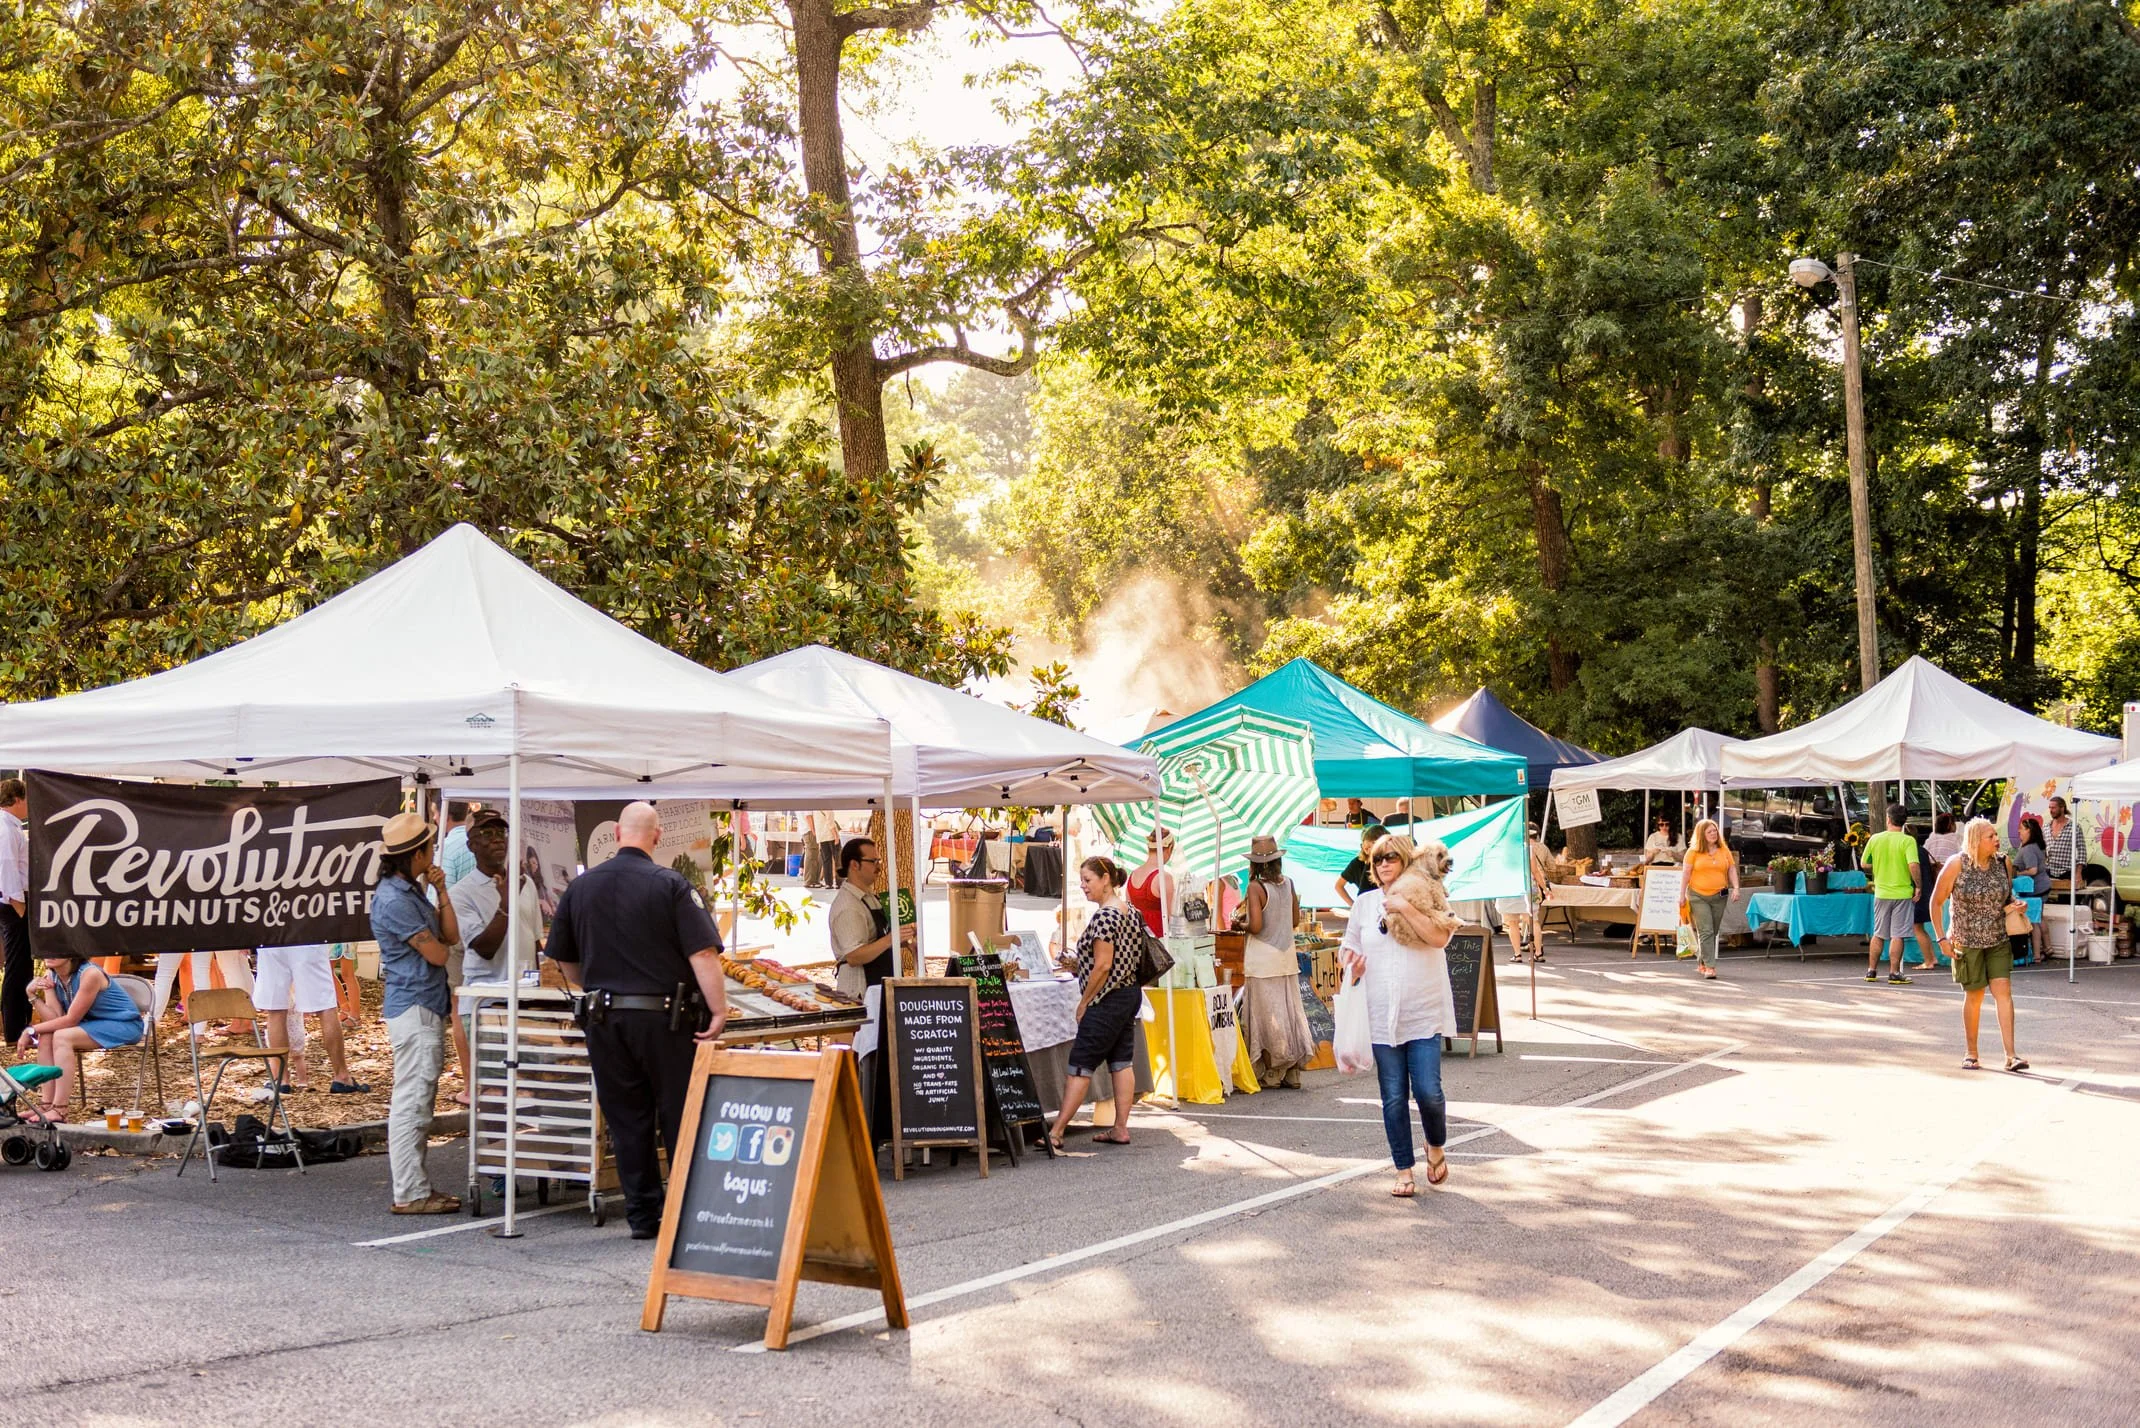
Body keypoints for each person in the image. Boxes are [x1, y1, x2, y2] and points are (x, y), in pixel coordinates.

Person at [545, 802, 728, 1239]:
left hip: (605, 1019)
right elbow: (702, 953)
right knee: (679, 1114)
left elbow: (564, 960)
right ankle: (686, 1212)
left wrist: (597, 982)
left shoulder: (580, 887)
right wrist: (719, 1009)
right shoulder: (671, 884)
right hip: (666, 1020)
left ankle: (643, 1216)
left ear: (615, 833)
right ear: (657, 836)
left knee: (627, 1120)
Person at [1342, 832, 1454, 1197]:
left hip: (1422, 1012)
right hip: (1380, 1015)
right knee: (1393, 1097)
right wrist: (1352, 966)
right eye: (1377, 859)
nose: (1383, 864)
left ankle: (1435, 1145)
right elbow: (1348, 948)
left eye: (1390, 856)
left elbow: (1440, 938)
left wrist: (1404, 907)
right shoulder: (1364, 904)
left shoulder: (1429, 895)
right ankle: (1404, 1170)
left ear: (1406, 859)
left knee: (1428, 1093)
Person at [369, 810, 465, 1215]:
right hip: (414, 1005)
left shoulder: (410, 892)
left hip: (422, 1003)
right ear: (416, 854)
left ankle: (416, 1186)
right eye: (428, 847)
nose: (432, 852)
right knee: (412, 1101)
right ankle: (410, 1192)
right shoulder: (395, 900)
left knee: (418, 1098)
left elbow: (451, 935)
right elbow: (440, 953)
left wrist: (441, 891)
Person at [1048, 857, 1144, 1150]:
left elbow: (1103, 965)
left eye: (1088, 880)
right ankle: (1120, 1127)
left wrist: (1085, 1001)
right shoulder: (1130, 911)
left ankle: (1057, 1131)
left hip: (1107, 998)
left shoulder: (1105, 917)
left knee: (1081, 1062)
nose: (1083, 886)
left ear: (1106, 879)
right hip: (1129, 992)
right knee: (1121, 1061)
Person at [1930, 817, 2030, 1072]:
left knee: (2003, 992)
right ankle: (1971, 1052)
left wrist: (2017, 904)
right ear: (1975, 840)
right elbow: (1936, 902)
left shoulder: (2003, 862)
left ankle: (2011, 1055)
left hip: (1998, 938)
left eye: (1996, 835)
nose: (1997, 839)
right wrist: (1941, 938)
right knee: (1974, 996)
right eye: (1991, 836)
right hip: (1967, 941)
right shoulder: (1956, 864)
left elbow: (2006, 896)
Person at [14, 951, 145, 1117]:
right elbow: (55, 1019)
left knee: (62, 1037)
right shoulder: (51, 975)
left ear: (72, 952)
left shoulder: (90, 974)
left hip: (123, 1024)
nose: (49, 952)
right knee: (47, 1035)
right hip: (92, 1024)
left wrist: (31, 1030)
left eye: (56, 948)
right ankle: (46, 1105)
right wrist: (32, 995)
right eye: (45, 947)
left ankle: (60, 1109)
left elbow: (71, 1020)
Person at [1239, 836, 1315, 1089]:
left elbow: (1256, 926)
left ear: (1254, 864)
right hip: (1286, 956)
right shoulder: (1288, 883)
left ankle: (1273, 1069)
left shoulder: (1255, 888)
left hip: (1262, 959)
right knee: (1288, 1013)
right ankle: (1292, 1070)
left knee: (1267, 1016)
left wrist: (1240, 924)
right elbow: (1294, 920)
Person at [254, 942, 364, 1094]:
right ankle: (342, 1077)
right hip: (307, 938)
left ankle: (281, 1080)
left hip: (272, 941)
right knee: (326, 1007)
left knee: (276, 1009)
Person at [828, 838, 915, 997]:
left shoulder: (869, 897)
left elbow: (876, 940)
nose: (879, 867)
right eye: (873, 861)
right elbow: (854, 956)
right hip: (863, 992)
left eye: (879, 861)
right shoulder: (848, 906)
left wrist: (904, 939)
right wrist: (891, 939)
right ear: (854, 865)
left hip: (882, 985)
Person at [1863, 803, 1921, 985]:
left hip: (1881, 892)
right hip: (1902, 892)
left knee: (1879, 933)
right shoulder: (1907, 841)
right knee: (1898, 934)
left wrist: (1879, 864)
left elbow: (1864, 863)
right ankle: (1894, 972)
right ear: (1904, 821)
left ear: (1888, 819)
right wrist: (1918, 885)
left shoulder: (1875, 839)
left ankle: (1871, 970)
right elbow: (1913, 865)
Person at [1683, 820, 1739, 981]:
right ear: (1702, 835)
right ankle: (1710, 967)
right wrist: (1681, 895)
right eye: (1709, 832)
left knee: (1712, 931)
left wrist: (1736, 887)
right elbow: (1686, 874)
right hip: (1698, 895)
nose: (1714, 834)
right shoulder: (1693, 852)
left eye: (1715, 831)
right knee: (1706, 930)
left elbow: (1731, 869)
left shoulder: (1724, 850)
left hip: (1719, 896)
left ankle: (1702, 961)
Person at [0, 778, 30, 1045]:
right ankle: (14, 1029)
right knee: (17, 965)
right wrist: (18, 904)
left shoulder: (11, 826)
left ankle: (21, 1024)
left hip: (14, 900)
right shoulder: (6, 828)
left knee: (22, 964)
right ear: (18, 799)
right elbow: (7, 867)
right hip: (13, 903)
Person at [1126, 829, 1182, 936]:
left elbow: (1128, 913)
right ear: (1169, 848)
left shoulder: (1132, 875)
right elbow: (1172, 918)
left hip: (1136, 939)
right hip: (1158, 941)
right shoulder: (1164, 877)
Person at [2011, 816, 2049, 962]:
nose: (2018, 831)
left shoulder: (2028, 849)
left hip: (2036, 888)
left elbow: (2033, 870)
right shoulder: (2037, 846)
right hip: (2043, 885)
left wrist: (2017, 874)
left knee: (2035, 920)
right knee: (2040, 917)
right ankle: (2048, 948)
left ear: (2029, 831)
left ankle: (2037, 954)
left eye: (2021, 828)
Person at [1335, 824, 1388, 908]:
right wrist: (1354, 907)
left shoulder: (1390, 861)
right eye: (1366, 847)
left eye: (1373, 844)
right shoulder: (1359, 863)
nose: (1369, 849)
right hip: (1368, 908)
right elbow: (1338, 886)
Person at [2043, 796, 2080, 888]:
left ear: (2062, 808)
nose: (2051, 810)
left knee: (2065, 896)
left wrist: (2078, 873)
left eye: (2053, 808)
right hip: (2049, 871)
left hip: (2067, 872)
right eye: (2050, 808)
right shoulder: (2046, 827)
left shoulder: (2074, 827)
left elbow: (2081, 852)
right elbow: (2042, 849)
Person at [440, 801, 477, 888]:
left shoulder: (445, 847)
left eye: (435, 813)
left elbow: (442, 889)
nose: (434, 817)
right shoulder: (478, 840)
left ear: (445, 817)